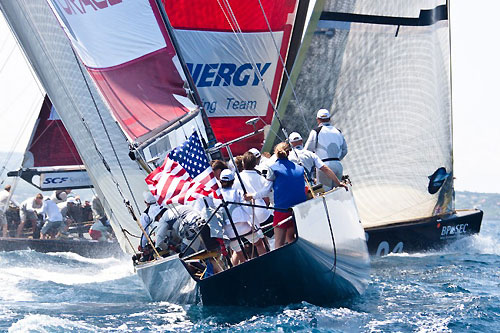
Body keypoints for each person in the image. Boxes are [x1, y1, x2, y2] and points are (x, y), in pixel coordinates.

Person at [245, 142, 307, 249]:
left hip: (282, 211)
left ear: (275, 153)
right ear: (289, 152)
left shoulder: (273, 169)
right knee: (291, 237)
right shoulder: (300, 168)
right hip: (299, 210)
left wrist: (251, 196)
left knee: (279, 244)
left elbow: (265, 192)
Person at [219, 169, 267, 265]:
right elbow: (248, 210)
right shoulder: (238, 192)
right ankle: (267, 262)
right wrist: (256, 227)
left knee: (239, 253)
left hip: (229, 232)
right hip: (243, 227)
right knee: (259, 243)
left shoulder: (216, 196)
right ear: (232, 181)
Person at [304, 109, 347, 189]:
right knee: (337, 192)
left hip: (323, 166)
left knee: (325, 192)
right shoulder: (338, 131)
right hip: (338, 164)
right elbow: (345, 150)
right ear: (329, 119)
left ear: (318, 119)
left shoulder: (316, 131)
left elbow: (307, 151)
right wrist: (336, 159)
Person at [237, 152, 273, 237]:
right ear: (255, 163)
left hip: (248, 218)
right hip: (263, 214)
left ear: (243, 163)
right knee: (273, 238)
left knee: (260, 242)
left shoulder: (237, 179)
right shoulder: (261, 178)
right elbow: (267, 199)